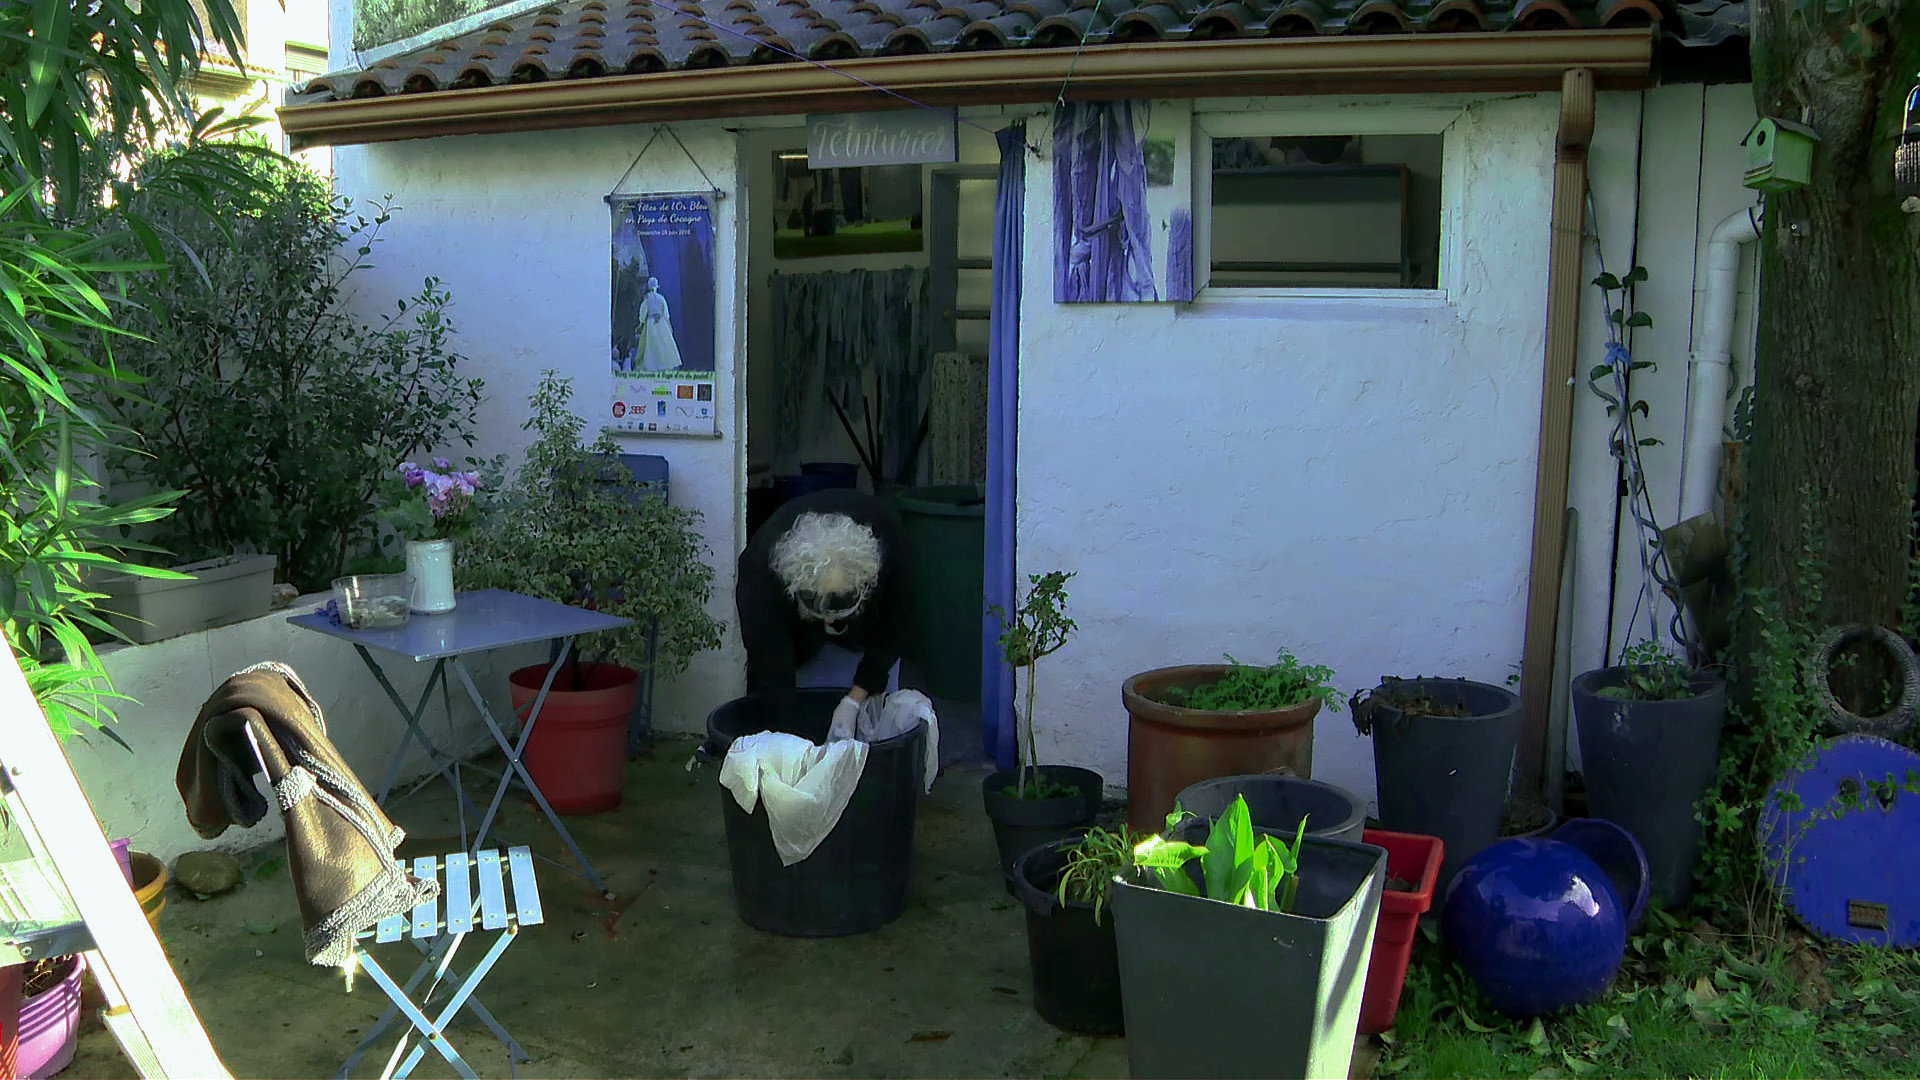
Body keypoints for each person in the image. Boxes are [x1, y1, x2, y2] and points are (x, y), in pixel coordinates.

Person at [736, 488, 910, 736]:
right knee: (786, 705)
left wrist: (853, 701)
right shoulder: (762, 573)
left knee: (875, 714)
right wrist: (787, 739)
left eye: (838, 613)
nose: (830, 621)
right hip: (796, 628)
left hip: (868, 622)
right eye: (822, 613)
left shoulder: (891, 544)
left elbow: (896, 628)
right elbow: (770, 663)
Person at [635, 276, 682, 372]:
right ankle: (664, 364)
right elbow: (666, 313)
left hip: (650, 323)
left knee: (651, 344)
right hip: (661, 323)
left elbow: (643, 311)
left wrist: (641, 322)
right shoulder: (661, 298)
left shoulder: (647, 298)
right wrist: (668, 325)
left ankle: (651, 365)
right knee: (662, 344)